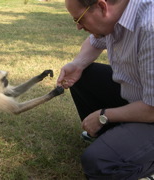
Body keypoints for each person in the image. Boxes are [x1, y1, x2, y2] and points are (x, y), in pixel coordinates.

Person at [56, 0, 154, 179]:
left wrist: (104, 115)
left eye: (80, 19)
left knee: (99, 162)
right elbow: (94, 41)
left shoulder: (150, 26)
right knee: (84, 74)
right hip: (139, 96)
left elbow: (152, 109)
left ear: (102, 6)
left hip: (151, 110)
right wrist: (78, 65)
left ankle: (144, 166)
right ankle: (119, 141)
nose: (78, 27)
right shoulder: (116, 16)